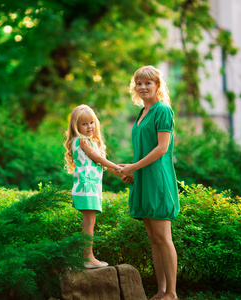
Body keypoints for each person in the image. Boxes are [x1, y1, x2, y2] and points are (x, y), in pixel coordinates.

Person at [119, 66, 180, 300]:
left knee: (164, 238)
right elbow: (143, 149)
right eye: (139, 83)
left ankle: (172, 294)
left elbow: (162, 149)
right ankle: (161, 290)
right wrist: (132, 172)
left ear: (158, 85)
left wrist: (133, 167)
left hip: (158, 180)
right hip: (143, 179)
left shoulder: (162, 110)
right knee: (154, 239)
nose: (143, 87)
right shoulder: (142, 113)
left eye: (148, 83)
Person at [64, 104, 131, 269]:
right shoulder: (83, 141)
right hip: (87, 188)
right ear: (76, 126)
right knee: (89, 226)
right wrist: (122, 168)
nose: (89, 127)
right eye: (84, 124)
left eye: (91, 122)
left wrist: (122, 174)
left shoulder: (86, 142)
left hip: (89, 189)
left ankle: (86, 257)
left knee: (89, 224)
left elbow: (103, 166)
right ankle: (88, 258)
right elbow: (100, 160)